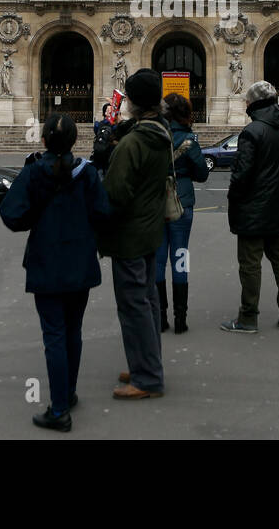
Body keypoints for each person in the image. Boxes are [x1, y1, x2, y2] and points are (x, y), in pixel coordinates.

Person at [0, 113, 112, 433]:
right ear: (75, 141)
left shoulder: (34, 172)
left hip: (46, 263)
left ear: (44, 139)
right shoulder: (87, 174)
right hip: (79, 263)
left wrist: (37, 214)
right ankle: (68, 393)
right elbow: (104, 213)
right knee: (72, 331)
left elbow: (11, 214)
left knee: (55, 336)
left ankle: (59, 409)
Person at [101, 69, 172, 400]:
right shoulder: (160, 132)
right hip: (150, 228)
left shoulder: (133, 143)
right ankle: (147, 362)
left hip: (130, 234)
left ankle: (147, 378)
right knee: (148, 300)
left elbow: (115, 193)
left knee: (134, 305)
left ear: (131, 101)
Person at [220, 81, 279, 333]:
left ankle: (248, 317)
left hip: (252, 210)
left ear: (253, 104)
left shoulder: (251, 132)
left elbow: (242, 174)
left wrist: (235, 197)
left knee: (250, 264)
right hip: (277, 207)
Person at [157, 93, 209, 334]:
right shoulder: (189, 139)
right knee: (180, 257)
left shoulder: (154, 136)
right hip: (182, 202)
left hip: (156, 203)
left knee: (157, 261)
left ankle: (160, 317)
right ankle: (180, 319)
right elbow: (201, 173)